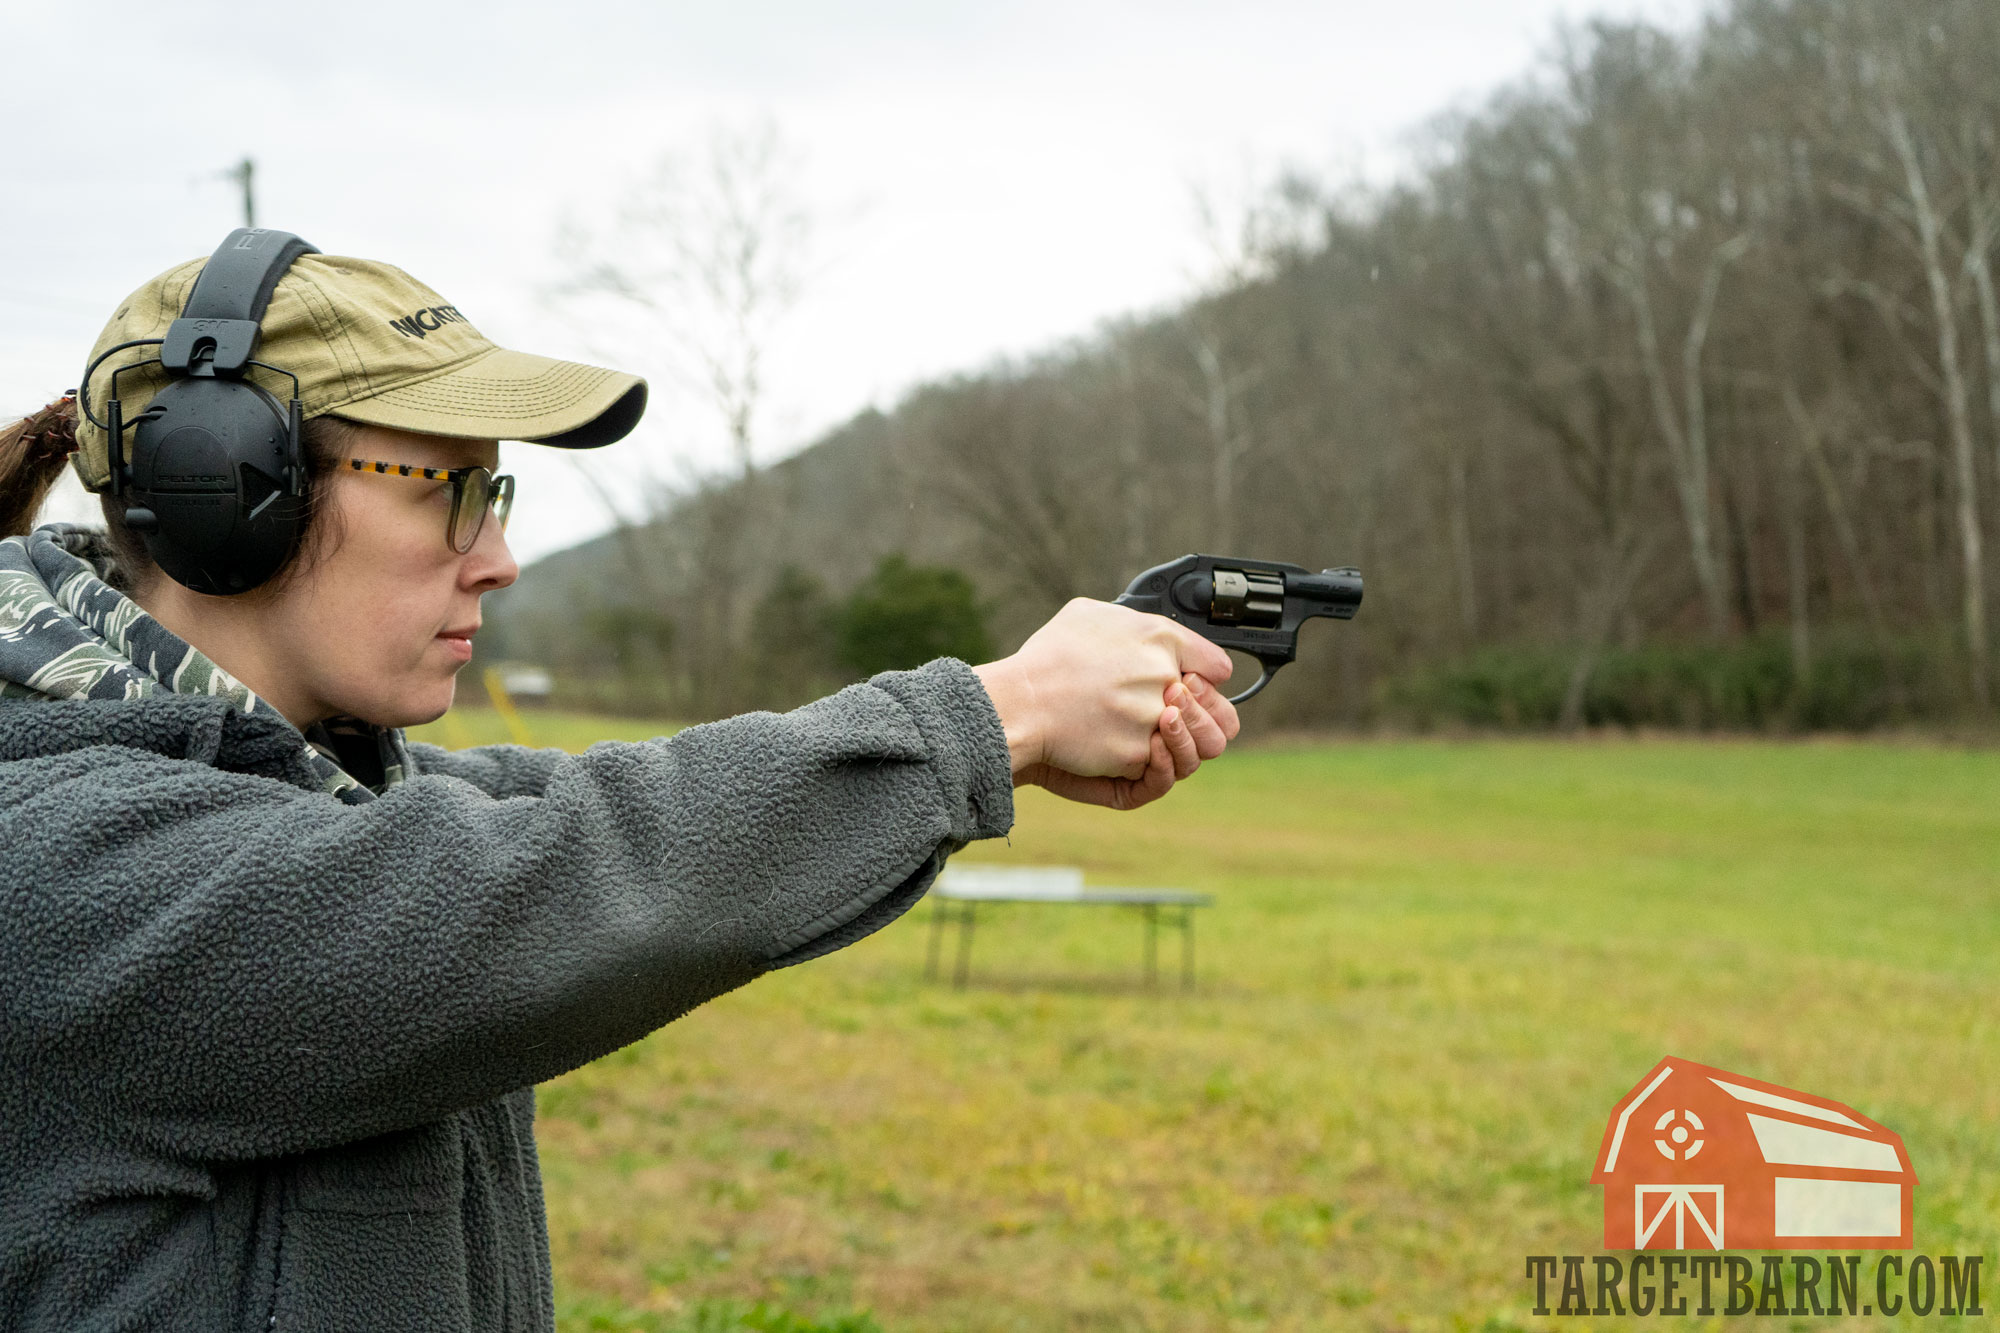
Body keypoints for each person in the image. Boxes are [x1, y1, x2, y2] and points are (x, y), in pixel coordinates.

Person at [0, 238, 1239, 1331]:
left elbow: (578, 808)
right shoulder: (56, 859)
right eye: (449, 491)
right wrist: (999, 711)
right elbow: (566, 876)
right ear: (230, 493)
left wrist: (1000, 740)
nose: (498, 559)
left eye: (497, 492)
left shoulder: (331, 795)